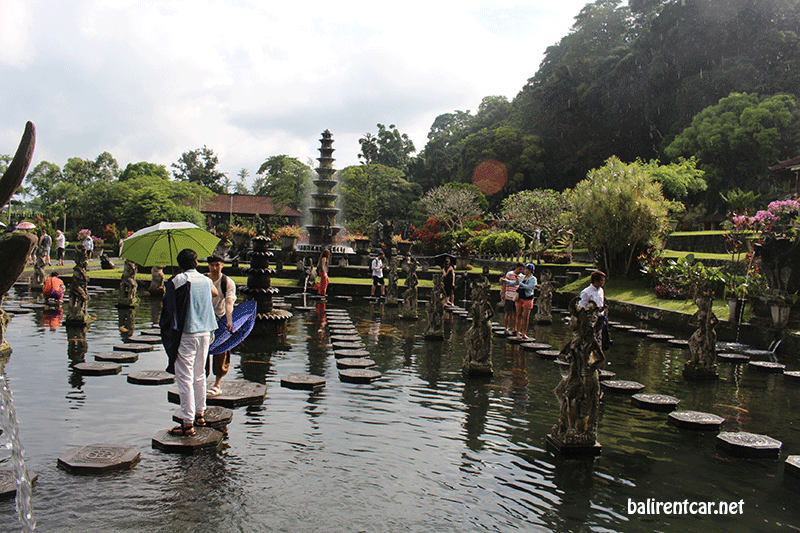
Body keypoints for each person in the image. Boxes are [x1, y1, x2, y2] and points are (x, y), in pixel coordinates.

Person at [161, 248, 218, 437]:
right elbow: (215, 293)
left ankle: (187, 422)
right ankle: (200, 414)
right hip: (206, 332)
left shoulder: (178, 281)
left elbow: (168, 310)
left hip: (187, 334)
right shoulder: (206, 280)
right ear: (196, 263)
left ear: (179, 265)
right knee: (200, 374)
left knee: (184, 377)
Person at [206, 255, 235, 396]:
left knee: (221, 351)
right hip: (204, 320)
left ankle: (217, 384)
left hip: (220, 319)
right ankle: (201, 381)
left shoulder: (227, 282)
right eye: (211, 265)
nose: (214, 268)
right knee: (202, 352)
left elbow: (229, 303)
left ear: (222, 265)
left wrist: (229, 320)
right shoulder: (203, 280)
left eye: (217, 264)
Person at [579, 270, 610, 348]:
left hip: (601, 317)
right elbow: (581, 307)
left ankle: (597, 355)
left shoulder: (601, 291)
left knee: (599, 338)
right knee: (590, 338)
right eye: (602, 280)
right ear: (596, 281)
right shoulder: (586, 292)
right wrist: (593, 309)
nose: (603, 282)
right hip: (590, 319)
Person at [515, 263, 538, 340]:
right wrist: (505, 281)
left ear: (530, 271)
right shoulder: (522, 277)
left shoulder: (533, 279)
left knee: (525, 317)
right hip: (520, 297)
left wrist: (520, 283)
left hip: (528, 298)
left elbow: (528, 288)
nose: (525, 270)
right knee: (518, 315)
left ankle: (524, 333)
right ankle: (518, 332)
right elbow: (515, 283)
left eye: (526, 269)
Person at [500, 263, 524, 335]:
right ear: (516, 268)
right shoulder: (509, 274)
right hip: (508, 295)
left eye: (522, 270)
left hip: (516, 296)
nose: (520, 271)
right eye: (520, 269)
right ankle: (506, 328)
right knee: (507, 313)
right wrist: (503, 293)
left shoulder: (521, 276)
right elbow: (505, 283)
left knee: (515, 314)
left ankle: (514, 329)